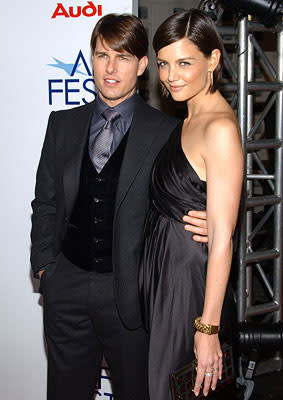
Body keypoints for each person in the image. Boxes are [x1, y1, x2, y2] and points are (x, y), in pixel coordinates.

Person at [30, 13, 209, 400]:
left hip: (131, 298)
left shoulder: (166, 133)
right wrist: (45, 267)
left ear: (142, 66)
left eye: (123, 57)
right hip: (67, 289)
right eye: (101, 55)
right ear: (91, 59)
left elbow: (180, 199)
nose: (110, 68)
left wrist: (212, 222)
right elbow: (44, 200)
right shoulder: (61, 124)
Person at [139, 9, 243, 400]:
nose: (171, 75)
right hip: (168, 278)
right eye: (164, 63)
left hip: (190, 287)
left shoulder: (218, 128)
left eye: (185, 62)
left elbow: (221, 242)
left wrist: (208, 330)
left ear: (213, 60)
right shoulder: (185, 119)